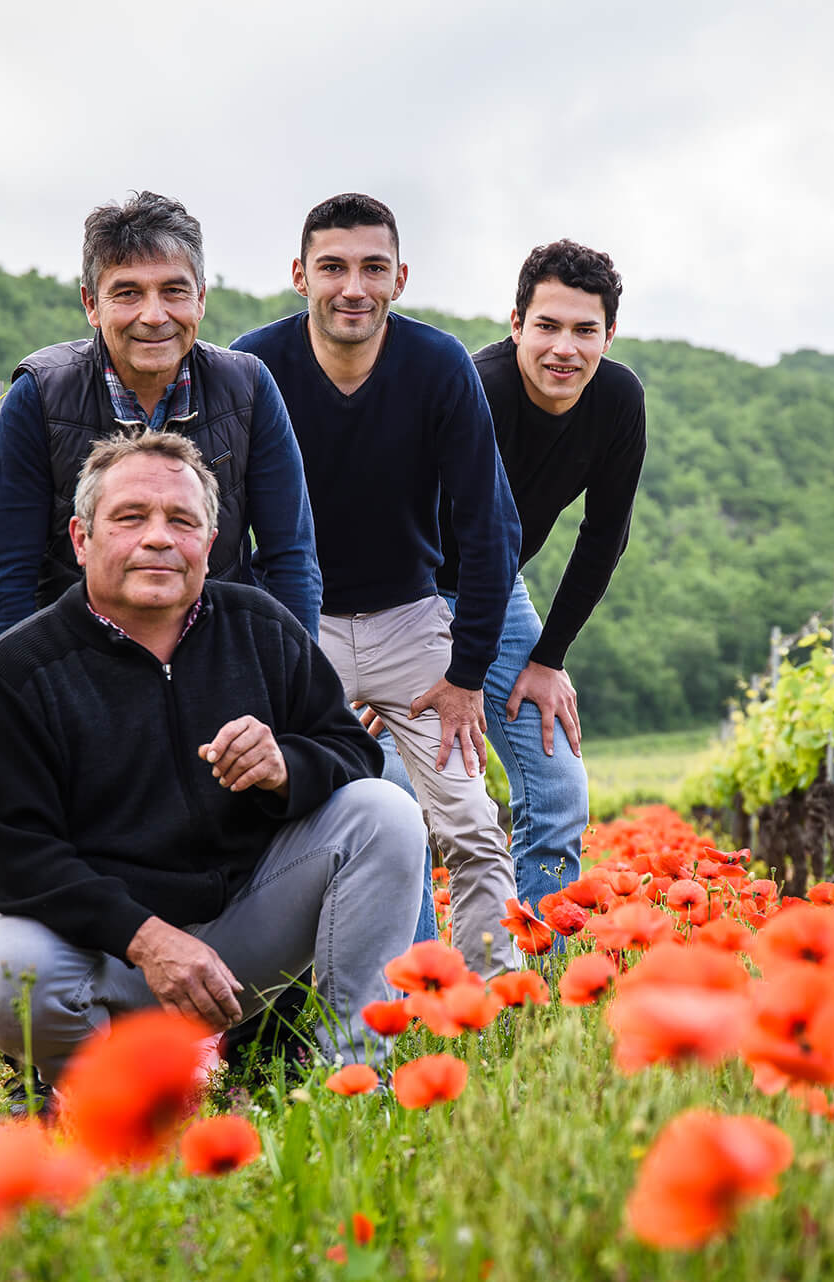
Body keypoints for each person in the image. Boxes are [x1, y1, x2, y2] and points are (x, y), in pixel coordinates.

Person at [0, 431, 423, 1089]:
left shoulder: (259, 627)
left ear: (209, 544)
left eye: (182, 521)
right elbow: (16, 859)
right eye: (130, 517)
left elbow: (351, 748)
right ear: (81, 538)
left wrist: (285, 765)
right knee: (7, 972)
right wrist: (146, 939)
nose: (158, 538)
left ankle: (347, 1080)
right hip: (108, 955)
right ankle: (106, 1097)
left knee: (385, 812)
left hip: (241, 940)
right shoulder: (17, 673)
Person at [235, 194, 522, 979]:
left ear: (399, 277)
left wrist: (466, 677)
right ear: (300, 276)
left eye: (371, 268)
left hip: (412, 624)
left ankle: (489, 1002)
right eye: (332, 267)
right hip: (299, 626)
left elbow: (490, 528)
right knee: (265, 813)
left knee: (468, 820)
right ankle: (285, 1002)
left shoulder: (439, 367)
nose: (351, 287)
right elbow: (221, 529)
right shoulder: (254, 369)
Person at [0, 191, 320, 648]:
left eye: (174, 291)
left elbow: (291, 559)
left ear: (200, 299)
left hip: (215, 653)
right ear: (91, 305)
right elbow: (5, 580)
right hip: (75, 656)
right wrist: (22, 695)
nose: (154, 316)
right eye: (128, 293)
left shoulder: (249, 388)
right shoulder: (40, 396)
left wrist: (290, 684)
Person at [430, 240, 646, 926]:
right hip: (409, 594)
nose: (565, 349)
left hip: (500, 595)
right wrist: (382, 649)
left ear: (608, 336)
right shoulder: (475, 390)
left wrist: (549, 659)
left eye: (585, 331)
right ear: (516, 323)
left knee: (556, 783)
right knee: (400, 793)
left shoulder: (617, 400)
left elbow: (604, 534)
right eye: (547, 326)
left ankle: (536, 976)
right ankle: (408, 988)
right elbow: (392, 516)